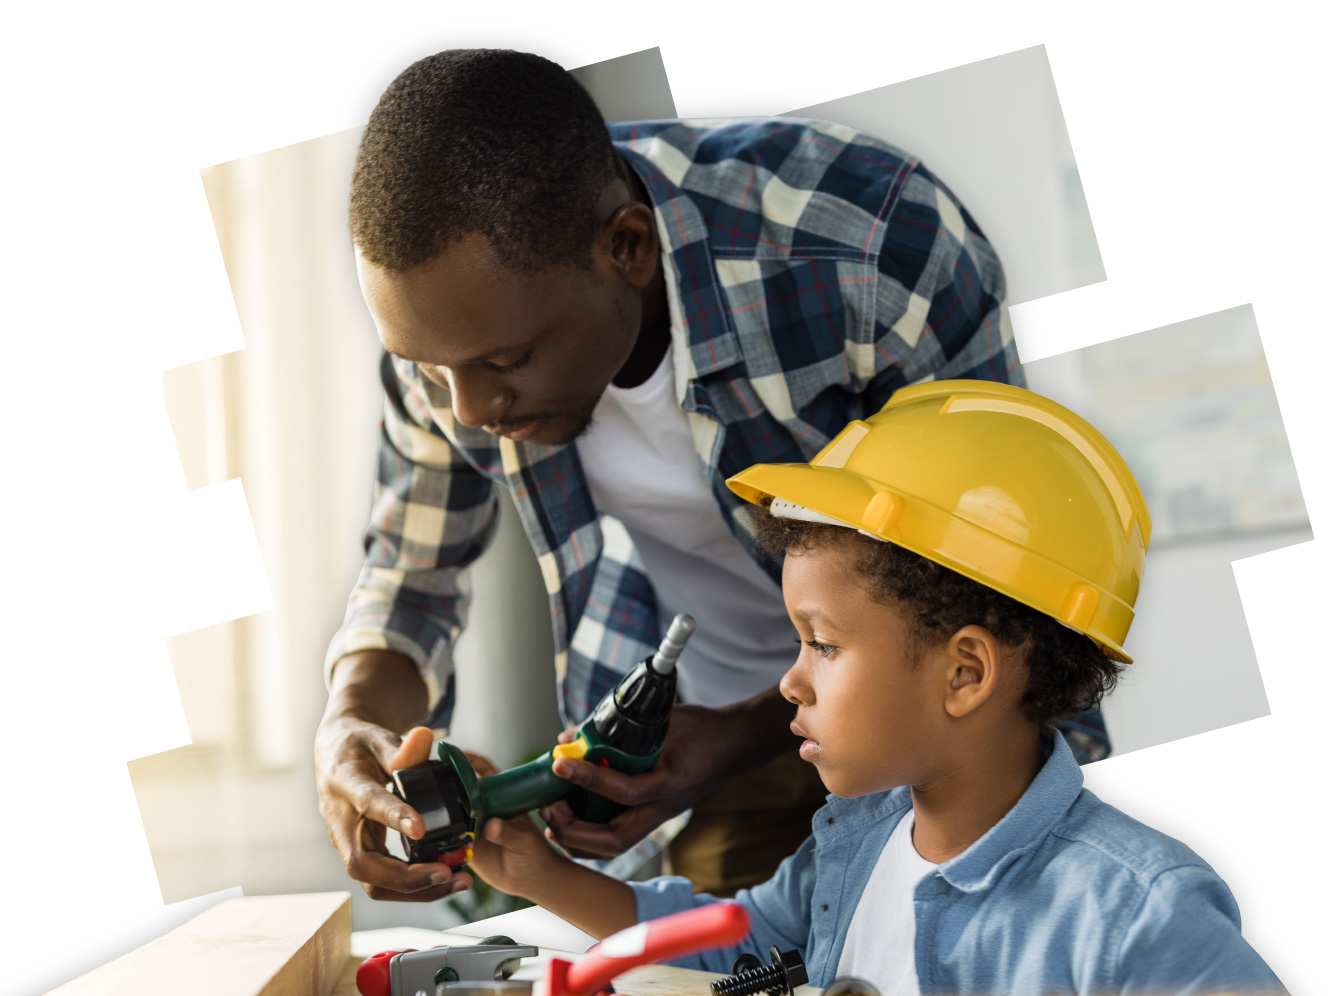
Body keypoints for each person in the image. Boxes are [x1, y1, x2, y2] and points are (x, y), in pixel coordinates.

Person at [314, 46, 1102, 903]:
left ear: (627, 247)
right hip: (710, 771)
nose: (465, 408)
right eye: (430, 369)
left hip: (943, 737)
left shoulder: (873, 252)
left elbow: (995, 580)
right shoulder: (452, 342)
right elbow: (413, 576)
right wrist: (352, 719)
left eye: (507, 359)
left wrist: (750, 729)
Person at [460, 380, 1286, 996]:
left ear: (964, 674)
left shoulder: (1136, 917)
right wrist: (539, 873)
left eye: (821, 643)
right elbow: (731, 945)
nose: (789, 681)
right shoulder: (856, 843)